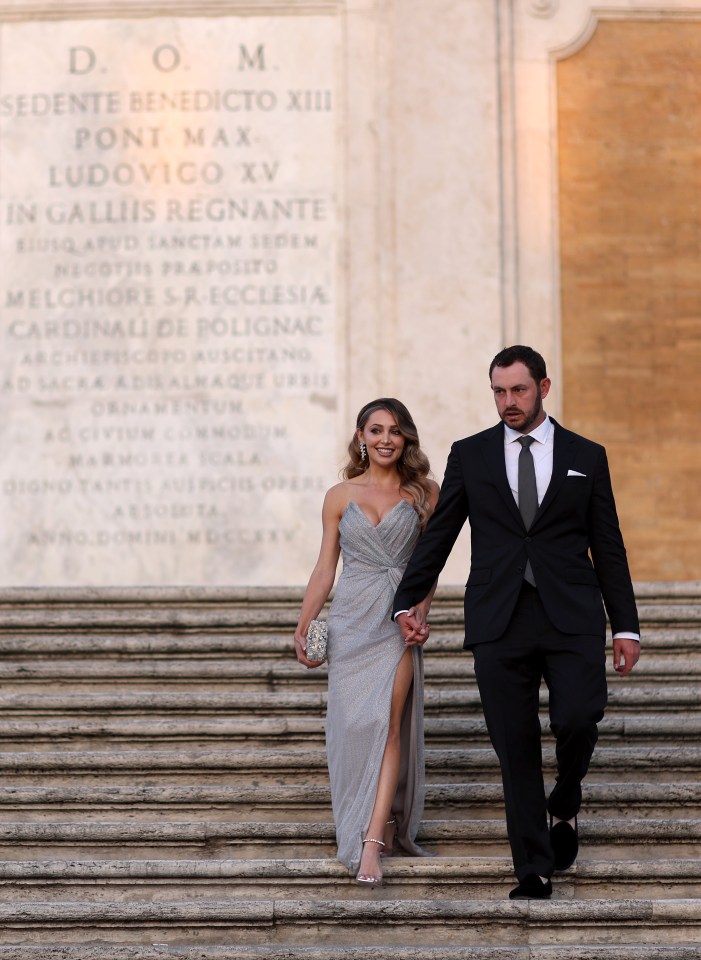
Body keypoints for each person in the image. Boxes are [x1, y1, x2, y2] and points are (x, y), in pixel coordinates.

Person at [393, 345, 640, 900]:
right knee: (515, 744)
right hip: (499, 616)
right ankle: (533, 867)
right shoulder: (472, 454)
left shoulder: (586, 455)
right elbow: (442, 534)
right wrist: (406, 600)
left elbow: (609, 545)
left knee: (579, 716)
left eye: (519, 390)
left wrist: (626, 625)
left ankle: (567, 800)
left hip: (572, 613)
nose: (509, 401)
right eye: (499, 392)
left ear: (544, 388)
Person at [294, 398, 439, 887]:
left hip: (394, 623)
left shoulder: (424, 494)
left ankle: (372, 842)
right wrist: (305, 621)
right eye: (375, 429)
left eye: (395, 431)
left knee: (387, 724)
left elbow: (430, 566)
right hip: (350, 621)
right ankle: (364, 819)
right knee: (352, 727)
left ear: (406, 439)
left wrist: (420, 612)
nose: (385, 439)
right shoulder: (338, 495)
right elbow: (323, 568)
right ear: (360, 435)